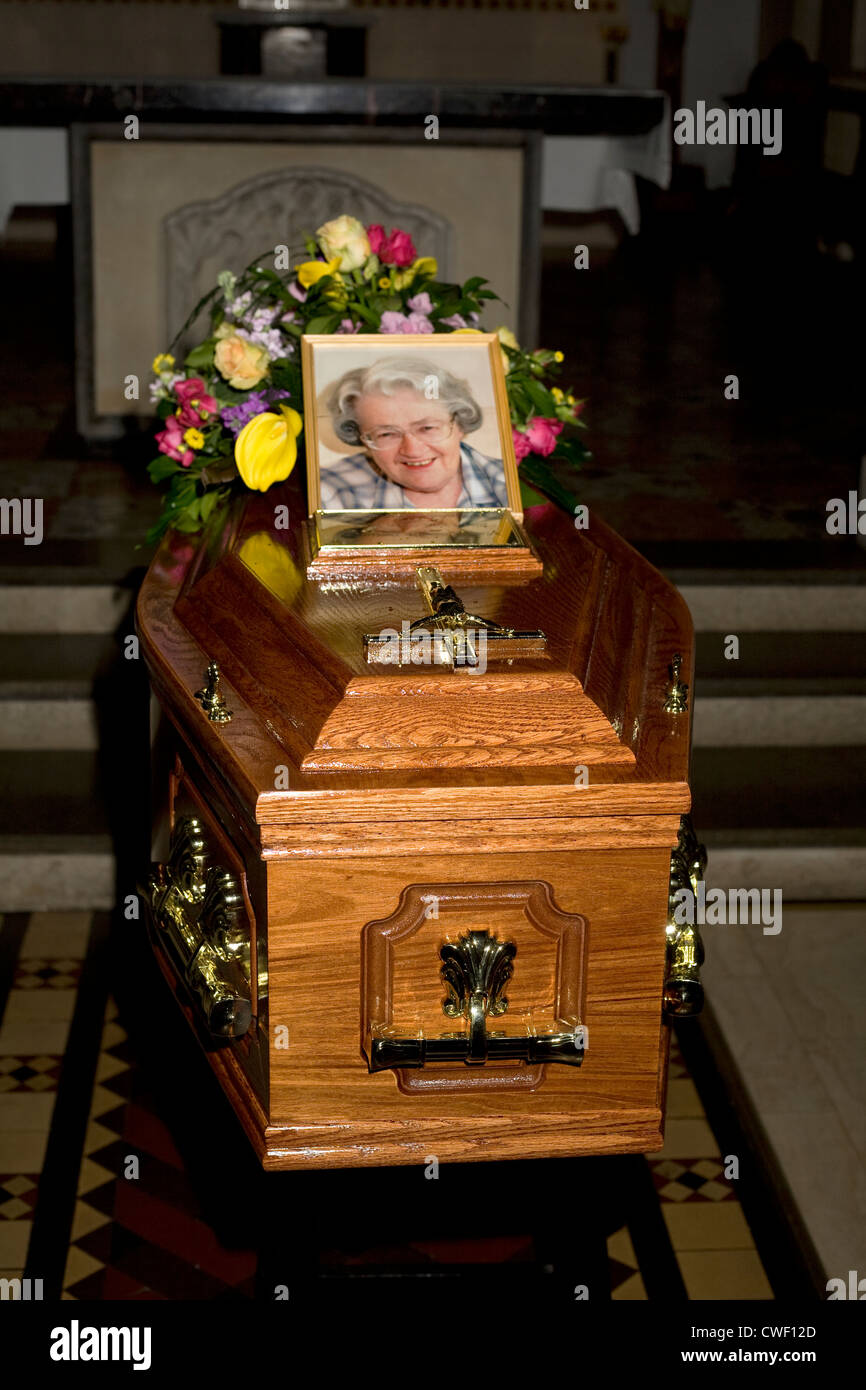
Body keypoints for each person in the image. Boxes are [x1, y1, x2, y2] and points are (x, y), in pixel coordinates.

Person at [320, 356, 507, 510]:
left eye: (427, 428)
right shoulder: (328, 492)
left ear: (460, 424)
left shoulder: (511, 486)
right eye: (387, 434)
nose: (412, 450)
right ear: (363, 439)